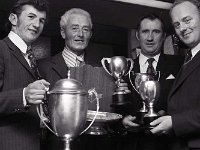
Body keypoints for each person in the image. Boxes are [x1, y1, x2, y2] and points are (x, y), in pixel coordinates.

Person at [38, 8, 118, 150]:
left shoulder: (102, 70)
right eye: (74, 28)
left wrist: (118, 91)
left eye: (85, 29)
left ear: (91, 34)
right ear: (63, 33)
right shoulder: (42, 67)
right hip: (56, 145)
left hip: (94, 145)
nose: (80, 34)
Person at [121, 13, 184, 150]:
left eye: (156, 32)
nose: (150, 38)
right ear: (138, 35)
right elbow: (115, 107)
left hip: (168, 144)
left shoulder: (180, 65)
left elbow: (187, 102)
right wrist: (123, 121)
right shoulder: (124, 68)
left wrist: (169, 116)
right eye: (145, 32)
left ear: (163, 36)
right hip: (132, 144)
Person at [0, 0, 50, 150]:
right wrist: (24, 95)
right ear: (13, 19)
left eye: (41, 20)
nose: (37, 24)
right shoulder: (1, 48)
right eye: (31, 17)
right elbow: (25, 96)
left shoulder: (30, 57)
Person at [150, 0, 200, 150]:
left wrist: (175, 122)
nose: (182, 28)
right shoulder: (189, 57)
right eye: (177, 25)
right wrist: (166, 114)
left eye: (187, 20)